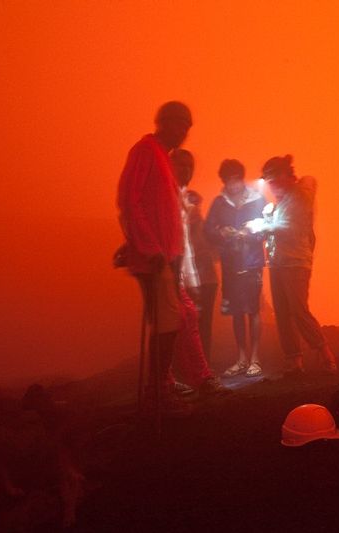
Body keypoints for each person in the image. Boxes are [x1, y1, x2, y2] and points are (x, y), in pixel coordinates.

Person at [116, 101, 193, 418]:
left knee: (167, 321)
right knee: (166, 320)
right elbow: (128, 201)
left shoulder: (163, 156)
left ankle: (160, 389)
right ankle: (157, 394)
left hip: (166, 255)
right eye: (181, 125)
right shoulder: (146, 150)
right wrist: (148, 247)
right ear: (165, 123)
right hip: (156, 257)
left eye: (187, 127)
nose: (185, 133)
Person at [250, 155, 337, 376]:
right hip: (278, 263)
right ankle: (294, 361)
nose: (270, 185)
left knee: (299, 310)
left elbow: (291, 228)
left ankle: (325, 354)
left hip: (296, 263)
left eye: (273, 179)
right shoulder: (281, 203)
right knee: (282, 312)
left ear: (284, 176)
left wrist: (264, 227)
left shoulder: (301, 194)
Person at [204, 159, 266, 377]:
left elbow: (266, 225)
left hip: (252, 260)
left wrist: (252, 232)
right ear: (224, 182)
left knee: (254, 309)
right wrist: (222, 233)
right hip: (230, 263)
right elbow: (208, 229)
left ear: (241, 178)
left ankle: (255, 358)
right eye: (229, 181)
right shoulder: (219, 203)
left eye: (236, 180)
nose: (234, 185)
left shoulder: (257, 199)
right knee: (237, 311)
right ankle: (241, 358)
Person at [170, 149, 219, 361]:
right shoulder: (169, 199)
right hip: (182, 277)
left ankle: (202, 371)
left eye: (189, 166)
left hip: (204, 277)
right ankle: (186, 372)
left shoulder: (195, 209)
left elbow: (207, 245)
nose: (186, 170)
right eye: (181, 165)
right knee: (181, 325)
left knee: (202, 325)